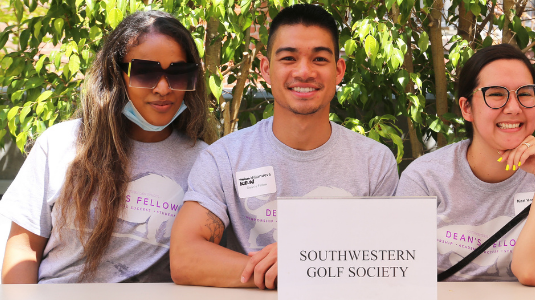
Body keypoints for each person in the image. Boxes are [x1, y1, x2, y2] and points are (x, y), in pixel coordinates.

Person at [169, 4, 399, 289]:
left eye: (319, 59)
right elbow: (185, 257)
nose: (304, 72)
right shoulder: (225, 157)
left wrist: (303, 260)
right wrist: (288, 270)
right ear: (266, 69)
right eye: (289, 58)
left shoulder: (374, 162)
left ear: (339, 71)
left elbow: (388, 260)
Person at [0, 10, 215, 283]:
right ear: (116, 75)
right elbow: (24, 248)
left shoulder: (206, 161)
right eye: (145, 72)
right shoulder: (59, 145)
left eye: (179, 73)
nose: (163, 87)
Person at [396, 44, 535, 286]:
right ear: (466, 108)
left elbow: (534, 273)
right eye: (496, 94)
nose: (514, 108)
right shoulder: (425, 180)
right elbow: (403, 277)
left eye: (525, 94)